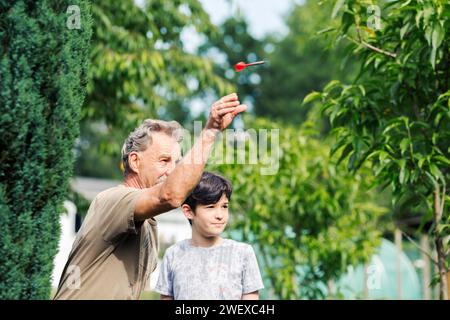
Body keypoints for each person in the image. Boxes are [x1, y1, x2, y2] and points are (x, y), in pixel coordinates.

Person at [54, 93, 247, 299]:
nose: (173, 170)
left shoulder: (147, 223)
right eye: (164, 160)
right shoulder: (114, 200)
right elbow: (171, 196)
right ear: (135, 162)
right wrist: (209, 132)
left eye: (177, 162)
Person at [155, 171, 264, 300]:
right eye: (211, 207)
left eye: (224, 206)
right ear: (188, 211)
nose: (220, 215)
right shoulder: (173, 255)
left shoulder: (242, 253)